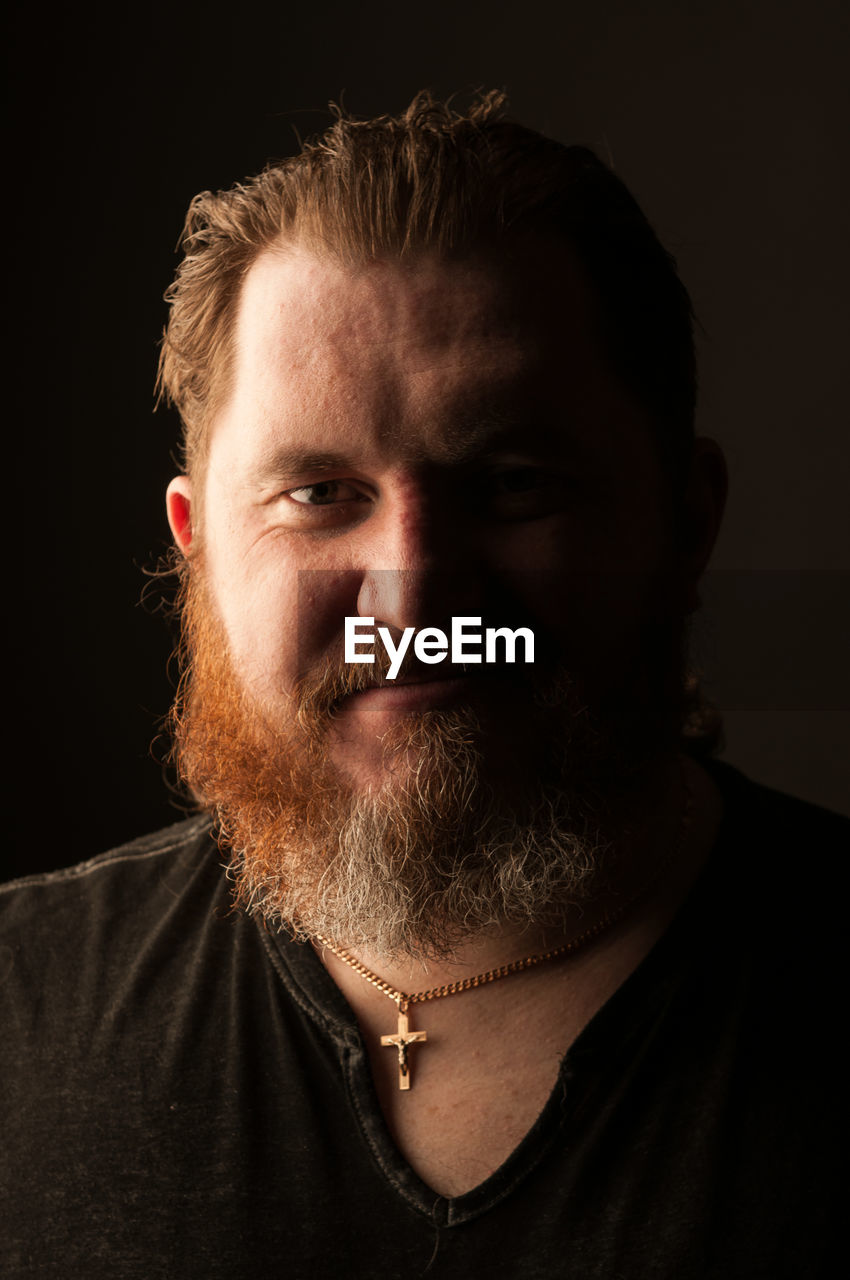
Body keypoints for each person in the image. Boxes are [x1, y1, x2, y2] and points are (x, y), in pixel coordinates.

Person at [1, 91, 845, 1279]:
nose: (413, 605)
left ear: (684, 522)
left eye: (510, 484)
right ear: (195, 547)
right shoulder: (17, 1007)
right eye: (318, 493)